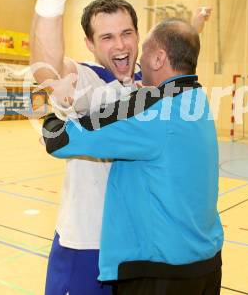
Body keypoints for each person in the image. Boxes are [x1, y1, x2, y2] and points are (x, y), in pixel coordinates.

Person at [30, 0, 212, 295]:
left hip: (135, 253)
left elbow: (176, 59)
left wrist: (193, 28)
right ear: (90, 44)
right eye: (107, 37)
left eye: (127, 33)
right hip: (87, 245)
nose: (120, 44)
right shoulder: (87, 79)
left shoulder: (149, 84)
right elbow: (45, 62)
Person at [42, 18, 224, 295]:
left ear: (159, 58)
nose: (137, 58)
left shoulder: (151, 111)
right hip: (206, 263)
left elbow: (60, 141)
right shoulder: (195, 98)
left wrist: (51, 116)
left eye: (145, 50)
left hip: (162, 271)